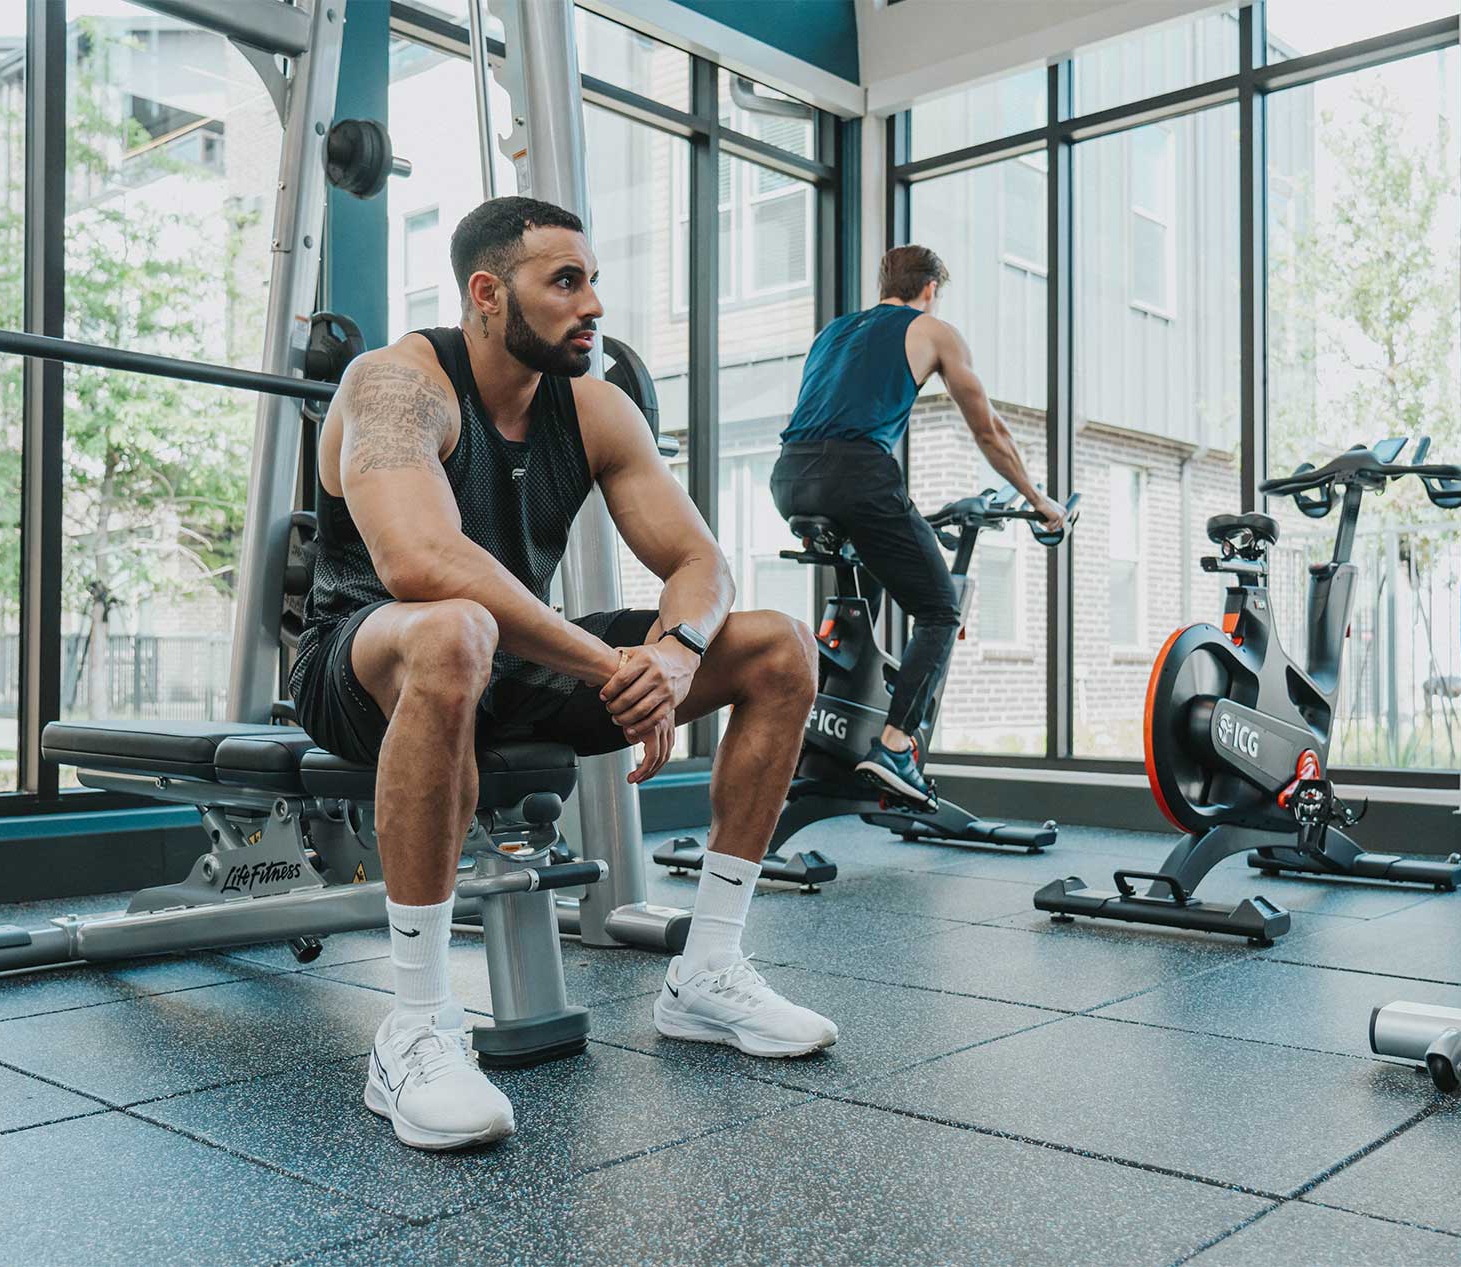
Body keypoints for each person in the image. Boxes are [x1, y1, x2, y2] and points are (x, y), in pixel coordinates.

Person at [289, 196, 836, 1152]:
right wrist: (609, 661)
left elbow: (701, 563)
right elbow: (421, 562)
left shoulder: (592, 409)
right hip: (368, 657)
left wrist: (673, 656)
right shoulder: (394, 386)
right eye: (566, 282)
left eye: (594, 282)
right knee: (454, 628)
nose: (592, 306)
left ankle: (706, 972)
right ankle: (415, 1024)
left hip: (510, 657)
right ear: (488, 294)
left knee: (779, 645)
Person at [771, 244, 1067, 805]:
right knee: (938, 609)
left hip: (789, 479)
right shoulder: (934, 332)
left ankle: (832, 728)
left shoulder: (833, 333)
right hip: (861, 478)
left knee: (876, 577)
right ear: (930, 288)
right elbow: (990, 433)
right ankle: (895, 746)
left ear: (885, 282)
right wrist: (1040, 500)